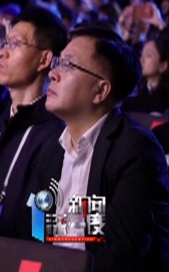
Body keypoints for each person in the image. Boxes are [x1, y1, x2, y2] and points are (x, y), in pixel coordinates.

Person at [35, 25, 169, 272]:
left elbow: (120, 257)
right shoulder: (51, 149)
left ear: (100, 91)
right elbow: (36, 231)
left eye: (68, 65)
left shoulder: (137, 151)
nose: (52, 74)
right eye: (57, 62)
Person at [0, 7, 68, 269]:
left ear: (44, 59)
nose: (3, 51)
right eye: (4, 43)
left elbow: (40, 228)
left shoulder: (56, 136)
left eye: (15, 44)